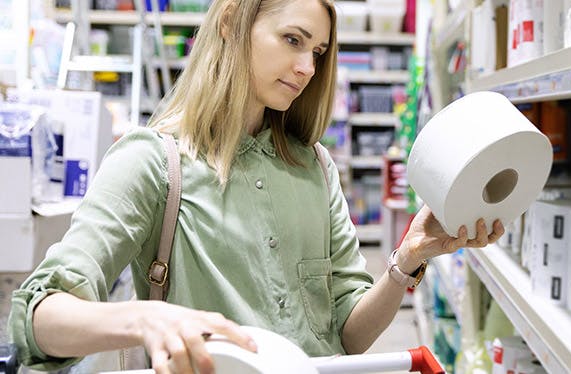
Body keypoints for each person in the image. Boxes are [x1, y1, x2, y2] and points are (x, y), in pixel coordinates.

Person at [6, 1, 504, 373]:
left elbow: (348, 337)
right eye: (292, 40)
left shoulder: (317, 169)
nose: (309, 67)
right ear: (231, 23)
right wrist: (142, 319)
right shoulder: (154, 162)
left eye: (318, 51)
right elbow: (38, 318)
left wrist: (407, 260)